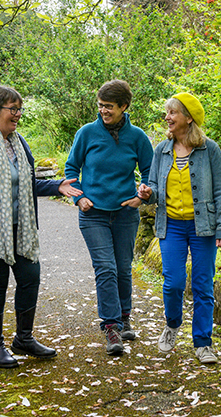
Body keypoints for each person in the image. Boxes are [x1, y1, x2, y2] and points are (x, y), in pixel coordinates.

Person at [0, 85, 83, 369]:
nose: (18, 115)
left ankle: (23, 339)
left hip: (19, 227)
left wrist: (56, 186)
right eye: (12, 109)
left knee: (30, 276)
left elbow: (27, 182)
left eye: (19, 109)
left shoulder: (18, 142)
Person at [137, 92, 221, 364]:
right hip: (172, 226)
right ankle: (172, 324)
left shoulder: (209, 149)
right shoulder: (161, 150)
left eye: (172, 113)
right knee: (174, 282)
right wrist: (146, 192)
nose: (167, 118)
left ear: (188, 118)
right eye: (167, 113)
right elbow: (154, 188)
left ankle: (203, 343)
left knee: (203, 285)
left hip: (204, 227)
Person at [64, 79, 154, 356]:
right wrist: (79, 197)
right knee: (106, 268)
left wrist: (142, 195)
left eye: (109, 107)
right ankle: (111, 327)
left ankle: (125, 316)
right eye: (101, 106)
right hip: (94, 215)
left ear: (124, 107)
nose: (104, 111)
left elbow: (150, 172)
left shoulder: (138, 137)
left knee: (124, 268)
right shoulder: (87, 133)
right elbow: (70, 168)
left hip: (126, 213)